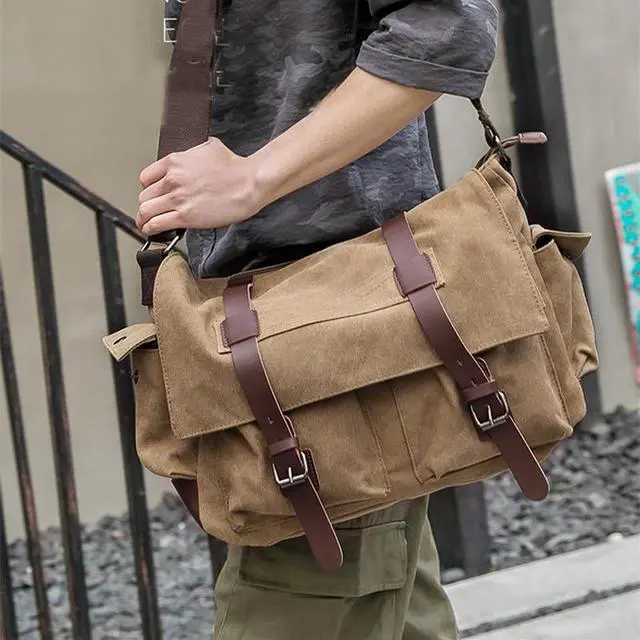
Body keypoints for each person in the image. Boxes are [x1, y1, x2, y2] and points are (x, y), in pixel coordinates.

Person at [137, 1, 499, 638]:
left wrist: (253, 178)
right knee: (389, 602)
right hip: (302, 321)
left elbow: (447, 25)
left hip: (330, 333)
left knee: (299, 598)